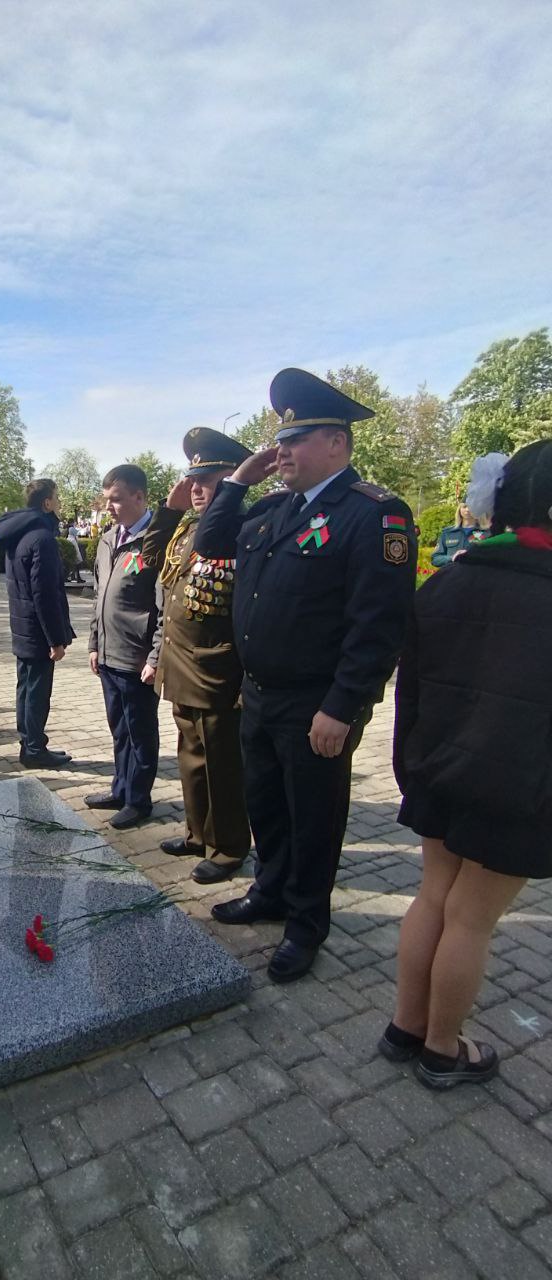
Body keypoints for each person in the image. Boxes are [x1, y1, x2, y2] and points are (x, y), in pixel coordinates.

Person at [197, 368, 416, 982]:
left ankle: (305, 922)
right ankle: (269, 892)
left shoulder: (374, 515)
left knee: (313, 819)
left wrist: (343, 706)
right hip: (260, 694)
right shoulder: (273, 508)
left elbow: (378, 627)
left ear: (337, 444)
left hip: (315, 703)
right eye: (280, 439)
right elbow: (210, 544)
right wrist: (240, 478)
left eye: (296, 439)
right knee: (265, 806)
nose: (281, 450)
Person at [384, 441, 552, 1088]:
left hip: (439, 775)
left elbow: (412, 696)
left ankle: (405, 1026)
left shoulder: (447, 579)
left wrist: (412, 773)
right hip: (519, 791)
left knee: (434, 897)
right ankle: (443, 1048)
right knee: (471, 919)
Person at [142, 430, 254, 883]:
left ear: (233, 479)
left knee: (222, 762)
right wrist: (170, 509)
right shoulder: (187, 527)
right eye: (193, 480)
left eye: (208, 479)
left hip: (216, 666)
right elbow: (152, 558)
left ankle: (227, 847)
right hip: (182, 662)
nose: (197, 488)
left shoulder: (242, 527)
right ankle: (196, 832)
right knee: (190, 753)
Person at [87, 464, 163, 830]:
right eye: (107, 502)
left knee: (140, 732)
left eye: (116, 501)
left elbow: (165, 606)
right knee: (119, 728)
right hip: (109, 653)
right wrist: (93, 644)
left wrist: (156, 655)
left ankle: (138, 800)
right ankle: (120, 788)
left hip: (138, 658)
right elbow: (99, 597)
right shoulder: (106, 540)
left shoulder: (156, 540)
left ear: (139, 496)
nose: (110, 508)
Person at [0, 478, 75, 768]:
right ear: (47, 503)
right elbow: (45, 594)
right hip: (38, 629)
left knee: (26, 688)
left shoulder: (19, 534)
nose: (60, 502)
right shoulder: (41, 538)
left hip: (23, 625)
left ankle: (28, 744)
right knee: (37, 693)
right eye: (58, 497)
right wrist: (56, 639)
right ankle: (34, 750)